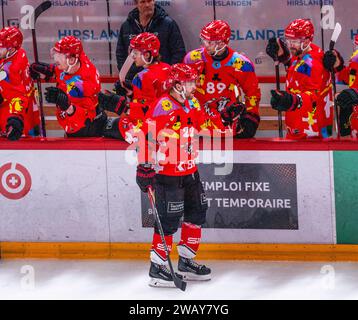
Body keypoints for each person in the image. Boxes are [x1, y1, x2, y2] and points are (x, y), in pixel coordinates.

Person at [135, 64, 212, 288]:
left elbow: (204, 125)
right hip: (167, 173)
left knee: (197, 212)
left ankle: (186, 262)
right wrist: (144, 166)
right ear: (178, 85)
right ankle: (157, 267)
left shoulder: (193, 102)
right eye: (190, 82)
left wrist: (224, 118)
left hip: (190, 170)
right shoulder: (163, 106)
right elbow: (146, 135)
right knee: (168, 220)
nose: (194, 86)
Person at [184, 20, 261, 139]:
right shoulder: (192, 59)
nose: (205, 45)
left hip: (228, 123)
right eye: (204, 41)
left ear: (222, 43)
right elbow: (182, 91)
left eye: (210, 42)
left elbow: (252, 93)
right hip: (198, 123)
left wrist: (251, 116)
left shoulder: (242, 64)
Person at [30, 36, 115, 138]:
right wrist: (48, 71)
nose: (55, 57)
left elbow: (85, 115)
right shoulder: (70, 64)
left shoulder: (87, 80)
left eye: (59, 55)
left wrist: (67, 106)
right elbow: (60, 73)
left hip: (89, 130)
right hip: (71, 126)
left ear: (72, 59)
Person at [266, 19, 333, 139]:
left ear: (307, 41)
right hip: (299, 125)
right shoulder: (305, 54)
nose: (290, 45)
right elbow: (299, 73)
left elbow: (313, 95)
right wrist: (285, 59)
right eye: (289, 40)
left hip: (310, 131)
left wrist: (292, 100)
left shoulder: (313, 63)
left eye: (294, 41)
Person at [99, 32, 171, 141]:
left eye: (136, 52)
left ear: (146, 55)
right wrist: (132, 93)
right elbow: (154, 98)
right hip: (169, 123)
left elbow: (144, 111)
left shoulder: (141, 76)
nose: (133, 56)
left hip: (151, 128)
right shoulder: (167, 68)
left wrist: (120, 105)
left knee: (108, 126)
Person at [116, 0, 186, 82]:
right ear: (136, 4)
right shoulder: (127, 26)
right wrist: (129, 76)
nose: (147, 5)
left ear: (154, 1)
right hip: (134, 82)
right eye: (143, 2)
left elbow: (179, 53)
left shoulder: (168, 24)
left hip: (162, 82)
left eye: (149, 1)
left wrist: (168, 76)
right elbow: (121, 54)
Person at [0, 27, 39, 141]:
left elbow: (18, 95)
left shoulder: (11, 69)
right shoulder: (18, 53)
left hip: (17, 113)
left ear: (11, 48)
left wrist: (15, 117)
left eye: (1, 46)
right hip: (23, 108)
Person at [323, 34, 358, 137]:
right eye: (356, 47)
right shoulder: (355, 63)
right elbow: (349, 78)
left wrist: (354, 94)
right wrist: (338, 65)